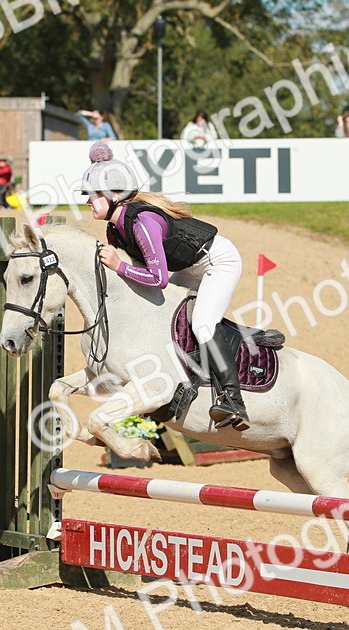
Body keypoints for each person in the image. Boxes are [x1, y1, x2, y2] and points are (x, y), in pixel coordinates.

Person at [80, 142, 249, 430]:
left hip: (218, 261)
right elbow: (141, 278)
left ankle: (234, 400)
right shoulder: (114, 228)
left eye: (92, 195)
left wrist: (119, 266)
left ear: (114, 195)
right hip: (188, 267)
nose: (87, 202)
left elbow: (156, 279)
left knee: (203, 323)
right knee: (164, 314)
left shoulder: (143, 221)